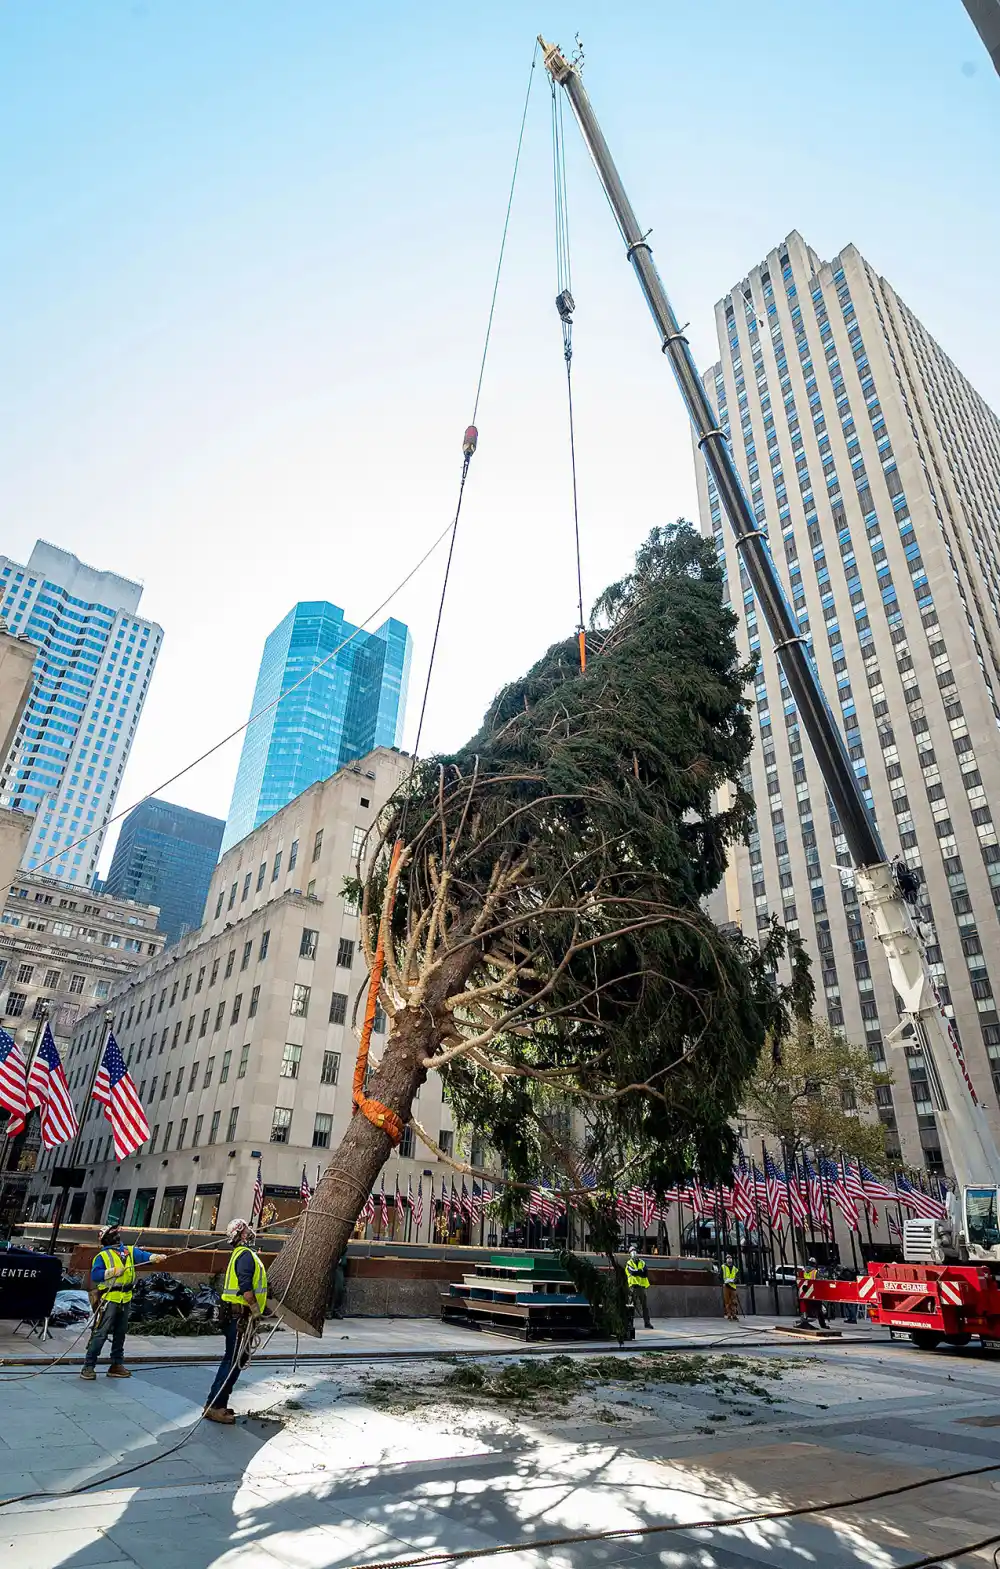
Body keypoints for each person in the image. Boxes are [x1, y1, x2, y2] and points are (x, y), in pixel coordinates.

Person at [81, 1224, 168, 1380]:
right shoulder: (102, 1256)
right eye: (113, 1233)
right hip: (109, 1299)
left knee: (120, 1334)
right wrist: (112, 1272)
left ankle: (116, 1365)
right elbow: (96, 1275)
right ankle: (88, 1365)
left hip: (126, 1297)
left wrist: (155, 1257)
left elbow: (143, 1256)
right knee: (100, 1333)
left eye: (116, 1232)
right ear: (106, 1238)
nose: (116, 1235)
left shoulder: (128, 1251)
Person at [203, 1218, 268, 1425]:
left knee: (235, 1361)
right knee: (232, 1362)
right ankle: (215, 1406)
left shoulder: (242, 1254)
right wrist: (256, 1311)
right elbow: (246, 1287)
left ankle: (218, 1402)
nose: (251, 1230)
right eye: (247, 1228)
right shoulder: (246, 1255)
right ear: (241, 1234)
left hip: (236, 1317)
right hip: (240, 1317)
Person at [625, 1244, 653, 1328]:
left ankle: (647, 1323)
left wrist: (638, 1271)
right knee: (630, 1306)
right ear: (629, 1253)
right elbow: (632, 1272)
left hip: (642, 1287)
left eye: (634, 1250)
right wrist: (639, 1271)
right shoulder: (629, 1263)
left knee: (645, 1306)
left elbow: (645, 1273)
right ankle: (629, 1323)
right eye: (631, 1251)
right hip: (633, 1287)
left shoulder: (642, 1262)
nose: (633, 1252)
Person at [798, 1256, 829, 1329]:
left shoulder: (803, 1271)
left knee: (805, 1309)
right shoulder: (815, 1272)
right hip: (814, 1294)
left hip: (805, 1293)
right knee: (819, 1310)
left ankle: (804, 1322)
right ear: (814, 1264)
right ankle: (823, 1325)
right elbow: (820, 1282)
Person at [722, 1254, 741, 1321]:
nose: (729, 1259)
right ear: (726, 1259)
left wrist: (734, 1280)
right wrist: (724, 1281)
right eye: (728, 1258)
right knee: (727, 1301)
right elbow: (720, 1275)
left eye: (730, 1258)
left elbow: (737, 1277)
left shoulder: (735, 1269)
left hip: (733, 1286)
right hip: (726, 1286)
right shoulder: (723, 1267)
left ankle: (734, 1314)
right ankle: (729, 1314)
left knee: (734, 1301)